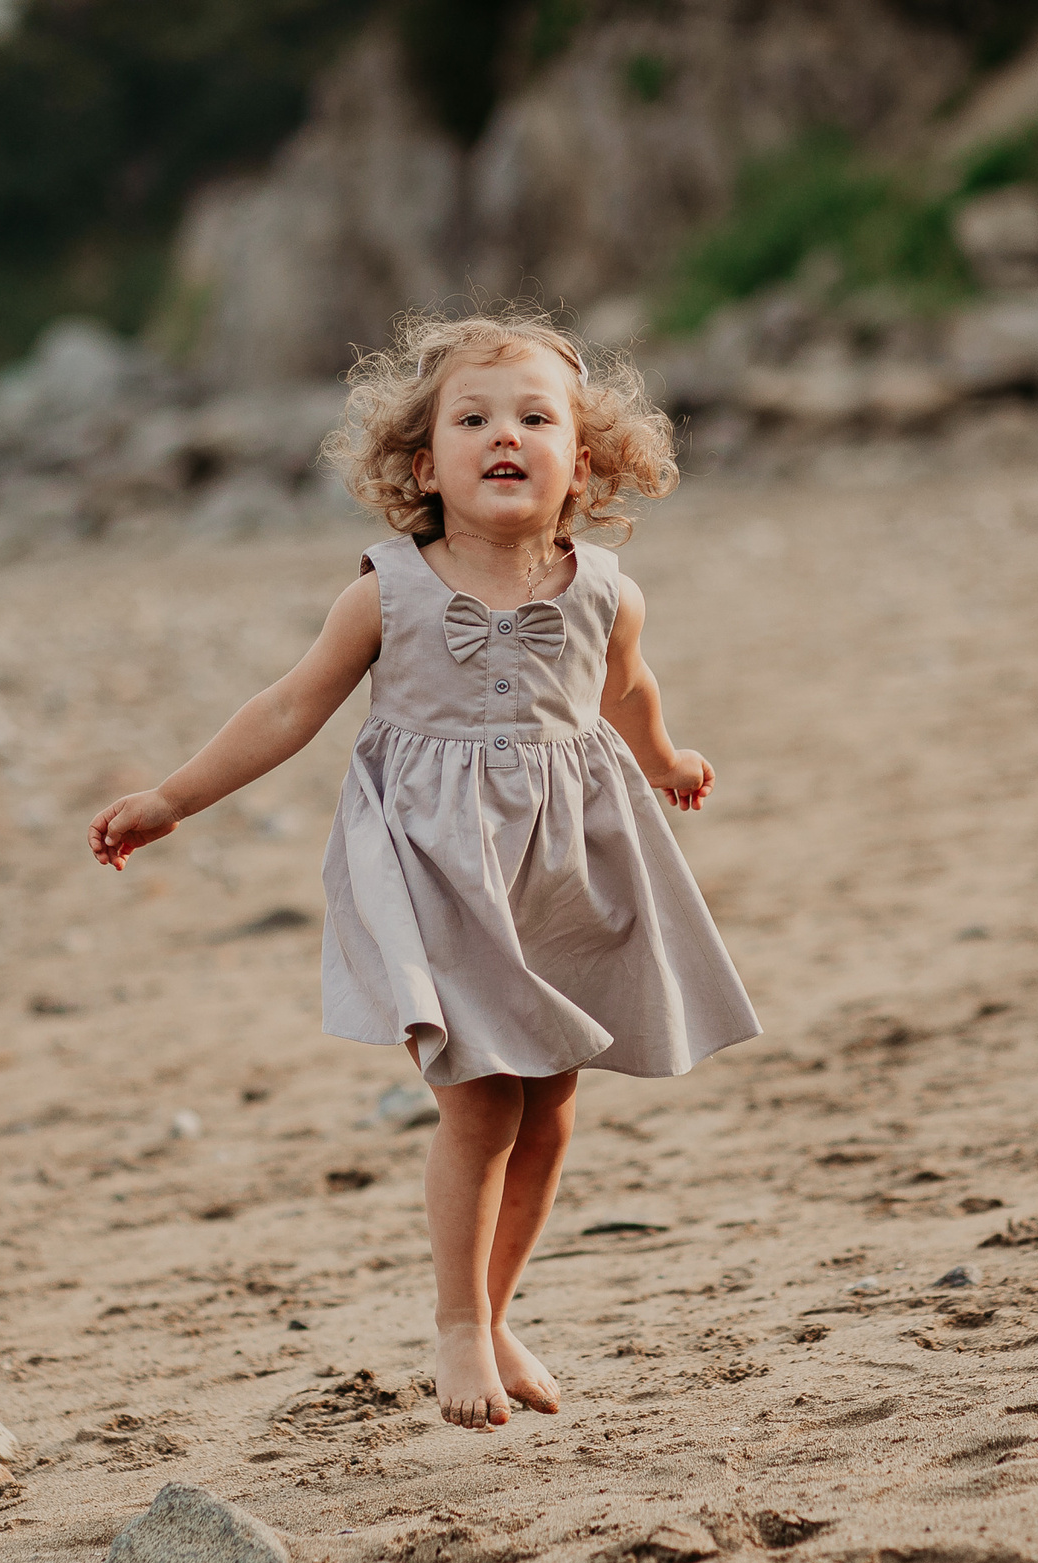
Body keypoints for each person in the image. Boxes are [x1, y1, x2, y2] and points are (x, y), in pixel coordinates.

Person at [88, 308, 760, 1431]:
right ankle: (457, 1325)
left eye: (535, 418)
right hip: (437, 871)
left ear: (580, 463)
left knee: (551, 1107)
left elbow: (626, 693)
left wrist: (665, 760)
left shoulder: (604, 591)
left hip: (562, 868)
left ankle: (496, 1310)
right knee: (481, 1105)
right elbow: (290, 707)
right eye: (474, 418)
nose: (507, 434)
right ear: (424, 463)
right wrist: (170, 796)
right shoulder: (387, 591)